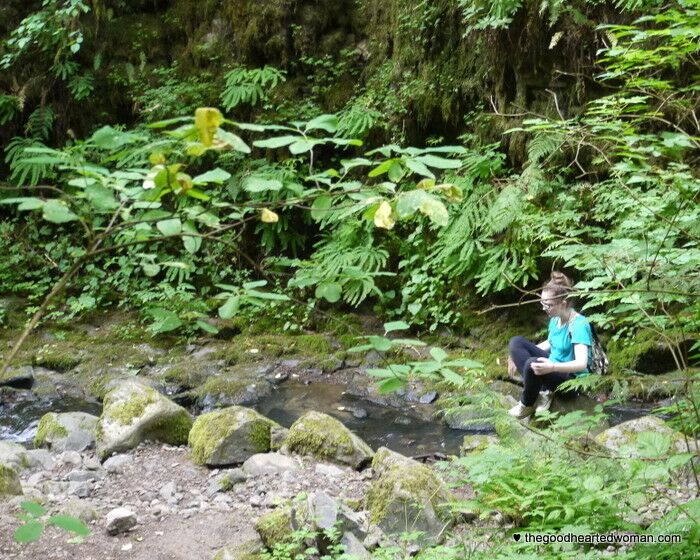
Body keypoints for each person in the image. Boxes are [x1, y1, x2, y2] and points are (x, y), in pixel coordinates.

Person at [507, 271, 593, 419]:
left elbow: (581, 363)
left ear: (563, 304)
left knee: (531, 364)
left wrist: (552, 367)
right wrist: (514, 355)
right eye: (542, 303)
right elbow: (551, 343)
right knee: (516, 343)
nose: (544, 308)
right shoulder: (555, 318)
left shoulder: (578, 325)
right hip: (553, 370)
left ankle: (526, 404)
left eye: (548, 305)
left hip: (571, 382)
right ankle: (542, 391)